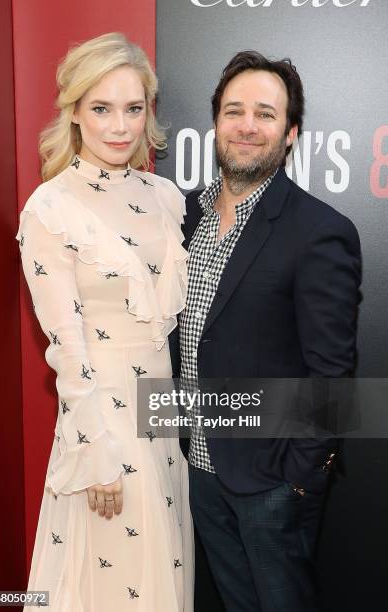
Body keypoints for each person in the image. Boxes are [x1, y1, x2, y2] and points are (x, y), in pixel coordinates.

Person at [173, 51, 361, 611]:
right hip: (198, 469)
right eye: (234, 111)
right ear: (215, 124)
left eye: (265, 113)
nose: (247, 126)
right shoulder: (184, 217)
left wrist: (299, 482)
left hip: (273, 484)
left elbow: (332, 377)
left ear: (291, 133)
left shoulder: (320, 231)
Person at [16, 32, 193, 611]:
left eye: (133, 108)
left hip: (162, 416)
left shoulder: (166, 196)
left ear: (148, 112)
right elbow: (67, 348)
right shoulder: (50, 208)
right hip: (105, 424)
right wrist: (96, 453)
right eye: (101, 108)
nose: (119, 126)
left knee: (164, 570)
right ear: (73, 113)